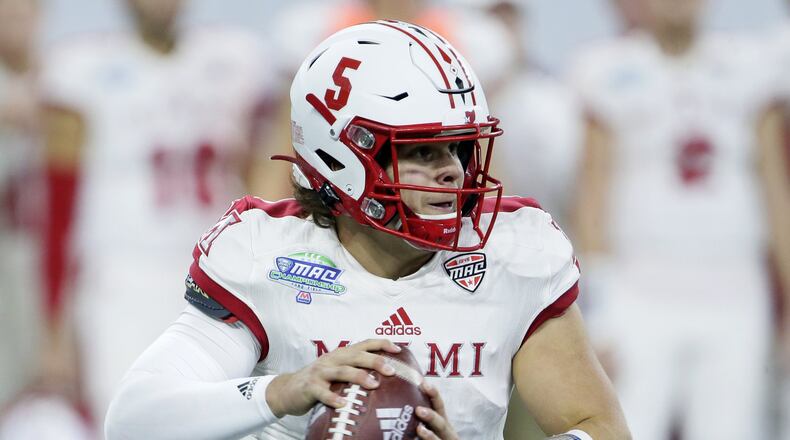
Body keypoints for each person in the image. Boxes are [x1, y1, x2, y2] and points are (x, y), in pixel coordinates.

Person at [104, 20, 630, 440]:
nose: (451, 170)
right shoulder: (266, 255)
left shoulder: (512, 252)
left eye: (458, 147)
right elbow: (133, 420)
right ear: (340, 157)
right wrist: (284, 391)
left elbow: (600, 430)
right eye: (419, 151)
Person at [39, 0, 276, 431]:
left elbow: (265, 171)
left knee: (220, 415)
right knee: (124, 415)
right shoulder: (81, 68)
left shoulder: (237, 58)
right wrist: (54, 323)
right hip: (122, 273)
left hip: (215, 268)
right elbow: (58, 207)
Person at [569, 0, 789, 438]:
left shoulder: (753, 66)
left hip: (733, 290)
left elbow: (774, 189)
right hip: (640, 289)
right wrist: (598, 307)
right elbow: (592, 193)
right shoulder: (606, 70)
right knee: (630, 427)